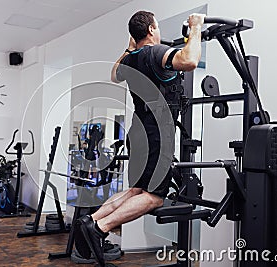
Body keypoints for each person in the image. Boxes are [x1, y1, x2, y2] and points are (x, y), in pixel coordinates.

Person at [74, 11, 204, 266]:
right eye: (156, 27)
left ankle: (90, 220)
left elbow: (114, 75)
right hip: (158, 130)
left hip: (139, 128)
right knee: (154, 196)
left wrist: (129, 47)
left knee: (136, 190)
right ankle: (99, 228)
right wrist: (196, 27)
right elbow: (189, 61)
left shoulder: (130, 59)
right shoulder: (155, 53)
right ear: (152, 30)